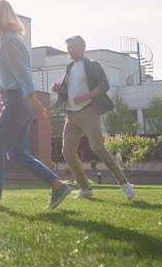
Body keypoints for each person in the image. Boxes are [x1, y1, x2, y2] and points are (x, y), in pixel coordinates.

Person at [0, 0, 71, 210]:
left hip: (18, 101)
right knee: (17, 154)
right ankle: (57, 185)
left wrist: (31, 98)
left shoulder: (8, 40)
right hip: (13, 99)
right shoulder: (10, 38)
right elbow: (10, 74)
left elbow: (21, 71)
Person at [52, 35, 136, 201]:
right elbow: (66, 91)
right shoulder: (69, 68)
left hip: (88, 111)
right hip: (71, 115)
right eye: (67, 47)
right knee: (67, 151)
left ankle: (125, 184)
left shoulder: (92, 65)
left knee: (98, 148)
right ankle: (85, 188)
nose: (68, 50)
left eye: (71, 47)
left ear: (81, 48)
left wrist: (85, 97)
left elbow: (104, 85)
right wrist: (58, 89)